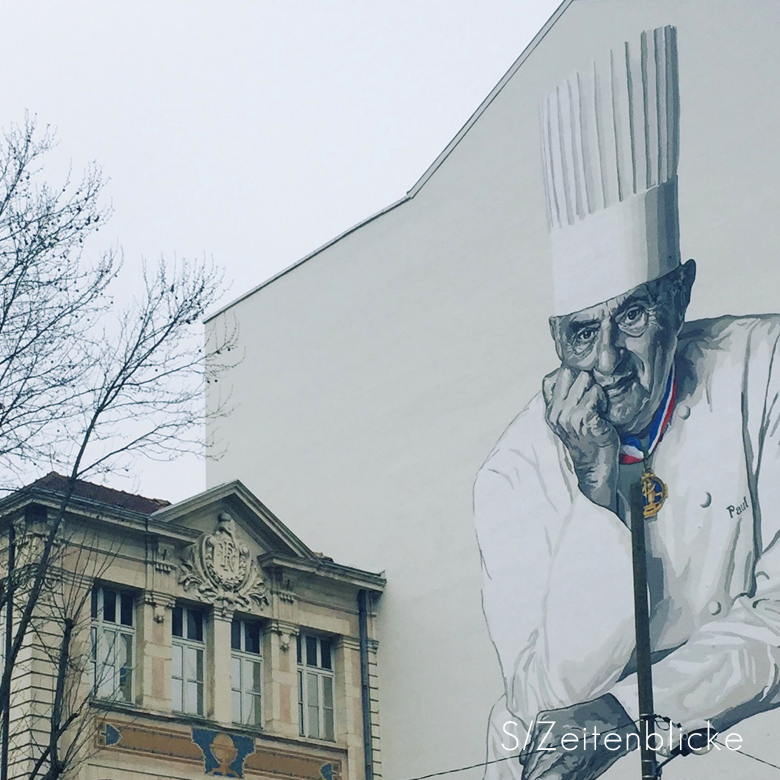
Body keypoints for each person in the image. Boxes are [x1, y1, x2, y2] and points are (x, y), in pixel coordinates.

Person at [474, 26, 780, 780]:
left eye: (633, 316)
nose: (606, 360)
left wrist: (633, 713)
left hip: (728, 741)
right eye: (582, 332)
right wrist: (594, 493)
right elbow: (551, 692)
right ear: (555, 336)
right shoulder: (512, 472)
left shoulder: (764, 368)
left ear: (680, 295)